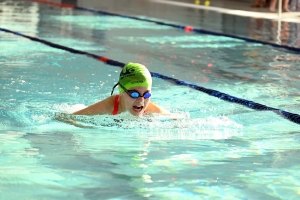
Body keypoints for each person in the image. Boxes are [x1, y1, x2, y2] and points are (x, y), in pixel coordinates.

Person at [72, 62, 169, 116]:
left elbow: (177, 120)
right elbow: (69, 118)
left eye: (146, 95)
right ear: (121, 91)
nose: (141, 100)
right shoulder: (108, 106)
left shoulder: (152, 110)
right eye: (134, 94)